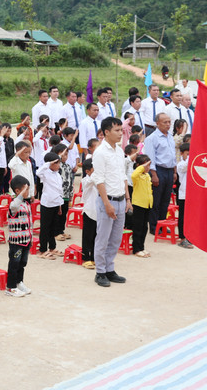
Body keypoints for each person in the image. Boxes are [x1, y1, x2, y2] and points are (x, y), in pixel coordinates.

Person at [92, 117, 130, 288]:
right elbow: (99, 180)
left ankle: (109, 268)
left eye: (121, 130)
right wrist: (107, 204)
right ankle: (100, 271)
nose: (120, 133)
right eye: (117, 130)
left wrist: (128, 199)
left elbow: (123, 176)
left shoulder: (119, 151)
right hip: (108, 201)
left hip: (121, 200)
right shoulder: (100, 152)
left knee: (115, 239)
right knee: (103, 238)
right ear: (106, 132)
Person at [144, 113, 176, 232]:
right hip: (158, 170)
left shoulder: (170, 136)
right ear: (157, 123)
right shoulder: (152, 138)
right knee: (156, 200)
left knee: (165, 200)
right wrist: (154, 175)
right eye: (165, 122)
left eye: (169, 122)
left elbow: (172, 156)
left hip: (169, 170)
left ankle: (163, 223)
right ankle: (154, 226)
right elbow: (150, 158)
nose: (168, 125)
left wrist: (174, 172)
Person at [5, 175, 33, 298]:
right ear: (18, 191)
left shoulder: (26, 204)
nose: (28, 192)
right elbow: (14, 205)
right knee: (14, 264)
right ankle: (10, 287)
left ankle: (19, 282)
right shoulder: (14, 205)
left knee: (22, 263)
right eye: (26, 189)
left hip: (26, 240)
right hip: (16, 242)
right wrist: (21, 194)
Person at [36, 153, 66, 259]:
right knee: (45, 227)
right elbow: (38, 172)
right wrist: (48, 164)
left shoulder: (57, 174)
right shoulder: (45, 173)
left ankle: (52, 248)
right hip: (47, 204)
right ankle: (42, 250)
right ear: (50, 164)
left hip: (56, 203)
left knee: (53, 227)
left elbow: (59, 190)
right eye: (56, 163)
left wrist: (60, 206)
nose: (59, 165)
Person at [130, 154, 153, 258]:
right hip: (138, 204)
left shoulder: (147, 176)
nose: (147, 167)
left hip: (147, 204)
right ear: (139, 165)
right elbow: (134, 175)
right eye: (145, 165)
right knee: (138, 227)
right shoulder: (137, 176)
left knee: (144, 227)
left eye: (149, 165)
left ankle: (142, 247)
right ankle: (136, 248)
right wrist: (142, 167)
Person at [174, 142, 194, 248]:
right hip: (183, 194)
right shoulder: (181, 165)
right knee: (182, 217)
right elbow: (187, 165)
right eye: (188, 153)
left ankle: (189, 236)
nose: (190, 156)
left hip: (192, 194)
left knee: (190, 217)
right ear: (182, 154)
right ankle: (182, 238)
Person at [79, 159, 97, 269]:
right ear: (88, 171)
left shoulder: (98, 180)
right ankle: (85, 258)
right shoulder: (85, 180)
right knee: (87, 237)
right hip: (89, 211)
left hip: (98, 212)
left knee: (97, 236)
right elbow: (92, 180)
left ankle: (94, 257)